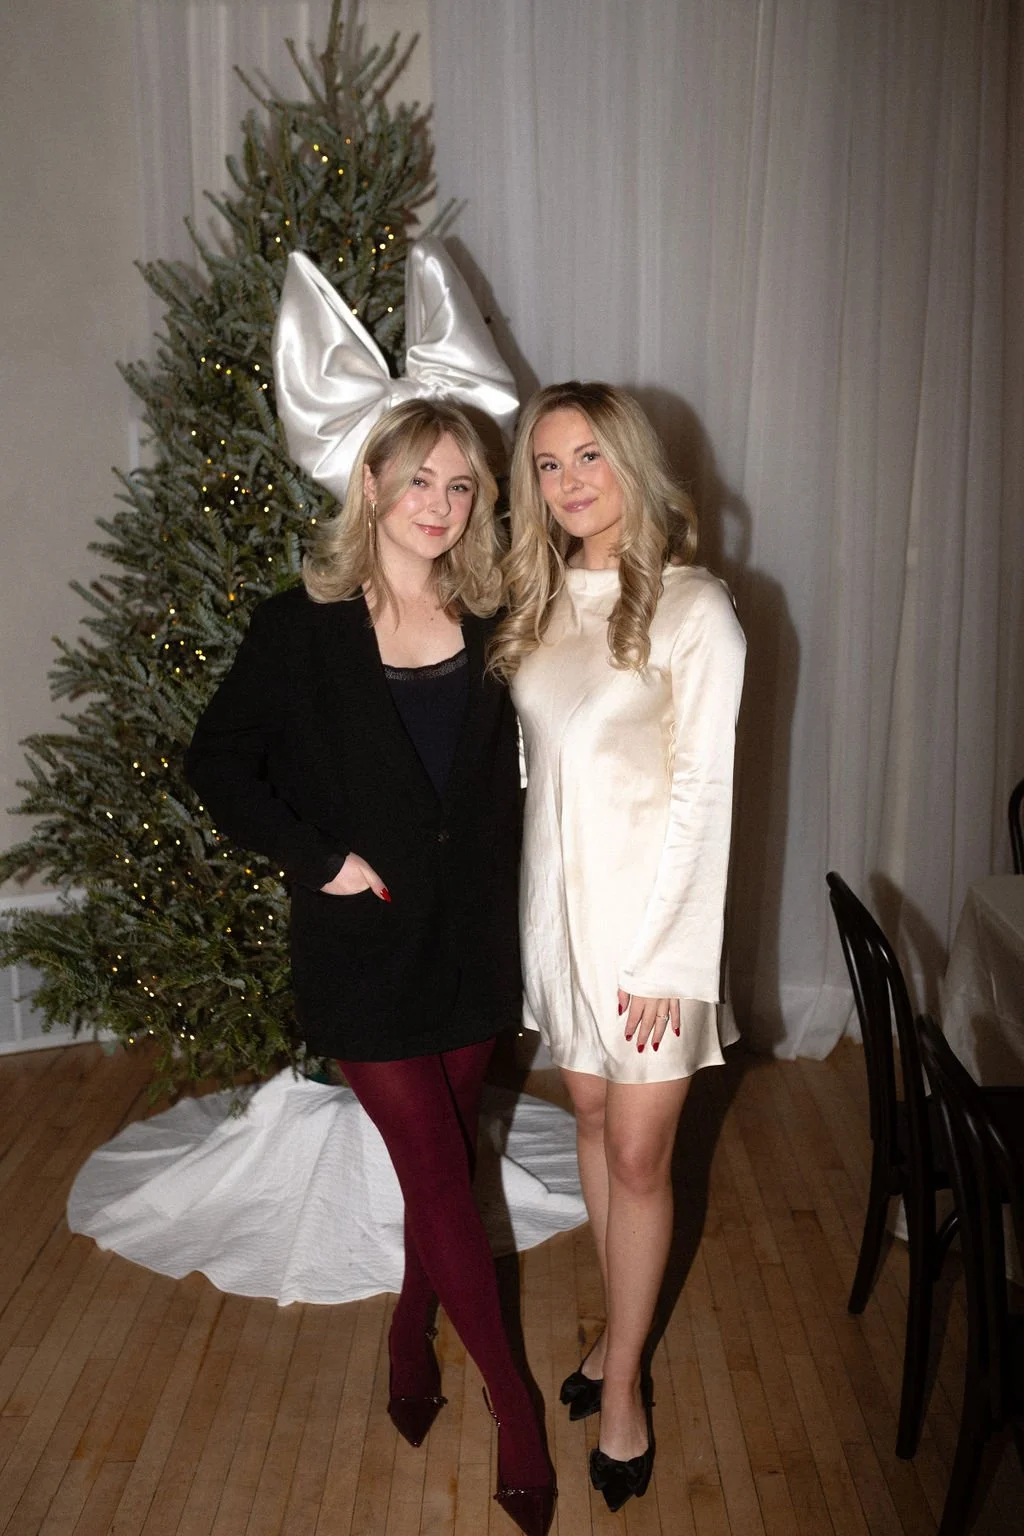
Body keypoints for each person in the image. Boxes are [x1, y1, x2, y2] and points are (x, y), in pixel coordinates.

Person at [185, 399, 555, 1536]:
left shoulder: (498, 620)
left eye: (462, 486)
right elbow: (217, 762)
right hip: (361, 949)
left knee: (445, 1159)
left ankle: (407, 1331)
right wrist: (319, 859)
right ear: (374, 486)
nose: (440, 505)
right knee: (437, 1172)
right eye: (420, 480)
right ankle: (516, 1408)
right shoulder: (301, 626)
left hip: (473, 942)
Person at [490, 381, 746, 1514]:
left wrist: (671, 964)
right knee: (592, 1126)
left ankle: (627, 1381)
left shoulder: (697, 611)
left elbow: (706, 798)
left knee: (641, 1158)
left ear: (632, 461)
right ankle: (613, 1331)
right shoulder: (542, 601)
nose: (568, 482)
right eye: (547, 465)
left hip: (652, 936)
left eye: (588, 456)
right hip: (560, 924)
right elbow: (536, 777)